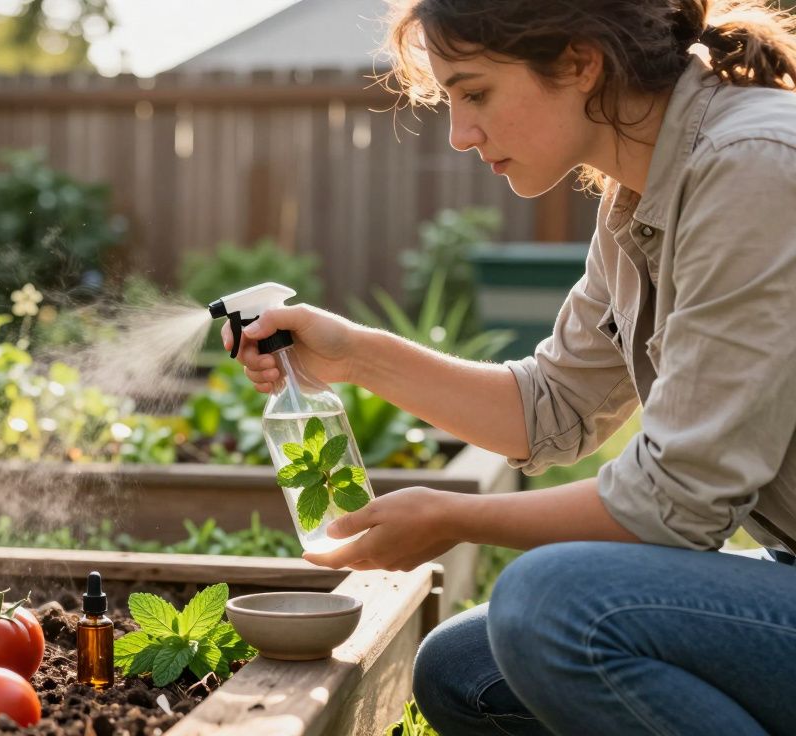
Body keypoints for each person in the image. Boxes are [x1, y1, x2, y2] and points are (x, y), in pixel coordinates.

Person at [223, 1, 796, 733]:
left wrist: (457, 517)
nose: (461, 134)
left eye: (476, 93)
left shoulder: (750, 168)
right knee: (461, 668)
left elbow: (673, 505)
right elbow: (550, 409)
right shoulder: (641, 198)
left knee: (551, 607)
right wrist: (354, 353)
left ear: (579, 62)